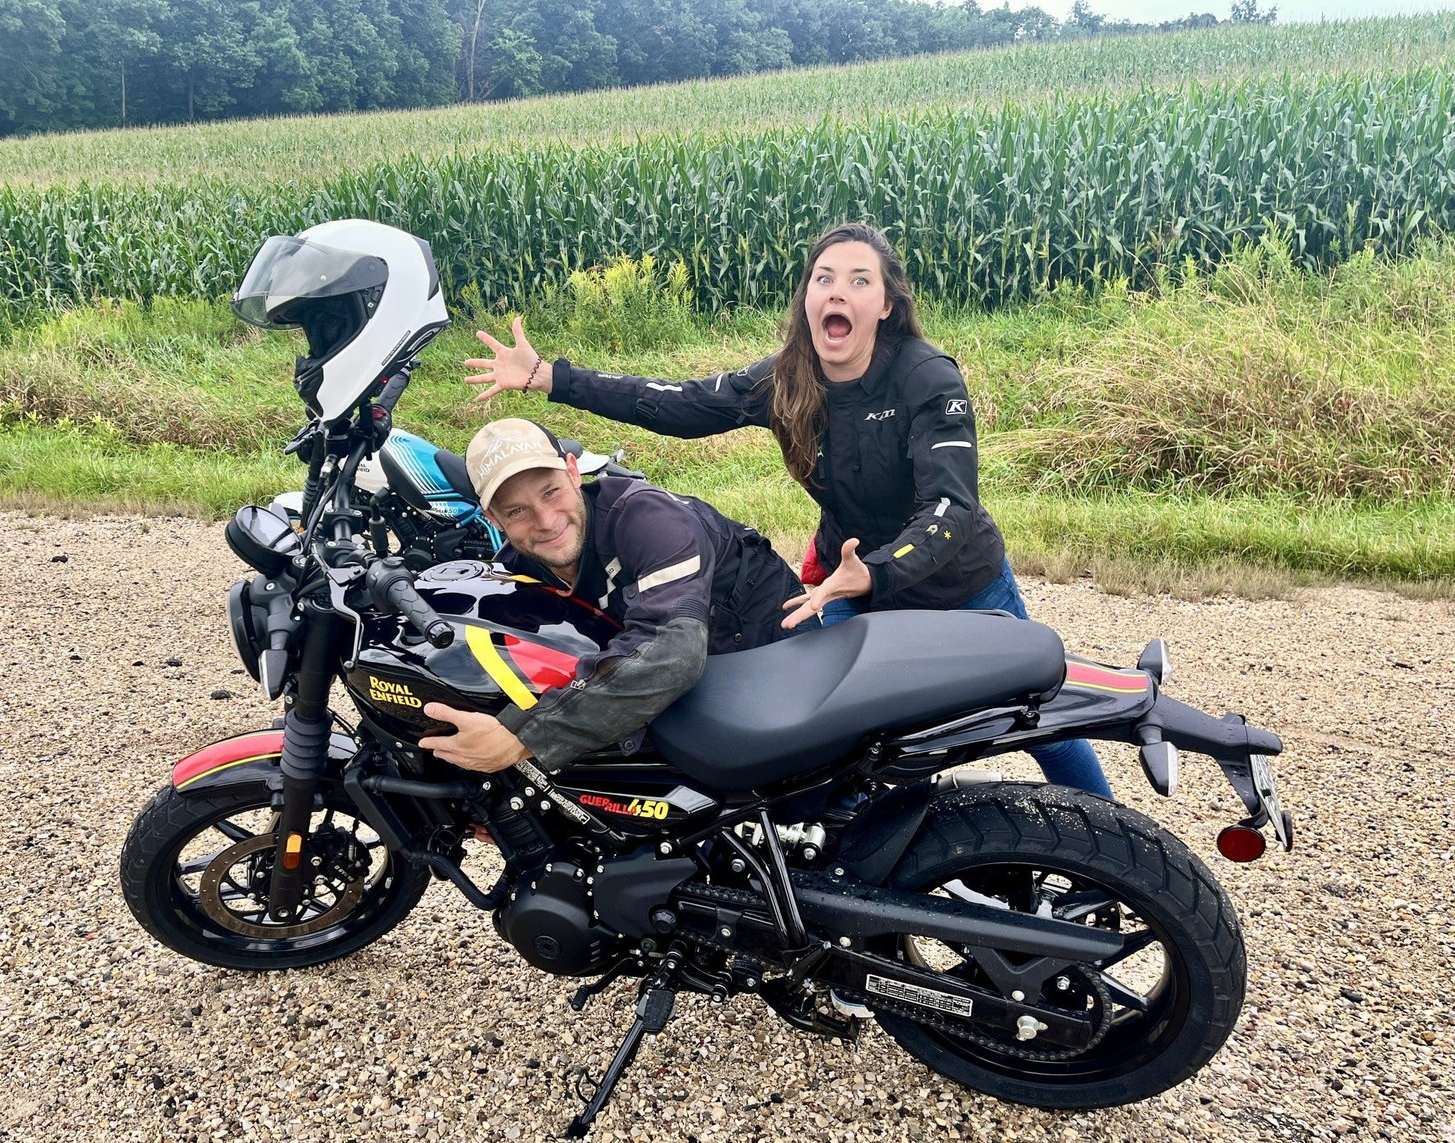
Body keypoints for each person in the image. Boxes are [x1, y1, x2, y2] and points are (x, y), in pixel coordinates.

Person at [461, 222, 1114, 799]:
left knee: (1035, 716)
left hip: (956, 582)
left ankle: (1112, 845)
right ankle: (909, 844)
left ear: (884, 304)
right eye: (823, 278)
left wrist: (879, 572)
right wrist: (553, 377)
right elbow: (678, 404)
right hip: (846, 582)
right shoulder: (785, 379)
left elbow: (951, 505)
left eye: (860, 280)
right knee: (859, 735)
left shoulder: (925, 376)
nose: (838, 291)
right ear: (807, 299)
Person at [419, 417, 803, 774]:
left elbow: (674, 652)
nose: (546, 521)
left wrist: (522, 738)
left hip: (766, 643)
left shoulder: (649, 519)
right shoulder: (515, 573)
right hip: (654, 676)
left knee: (790, 791)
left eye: (551, 492)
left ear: (573, 471)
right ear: (494, 520)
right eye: (517, 511)